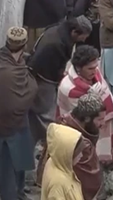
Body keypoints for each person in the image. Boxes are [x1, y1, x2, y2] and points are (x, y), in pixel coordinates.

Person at [0, 27, 38, 200]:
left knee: (19, 163)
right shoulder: (4, 68)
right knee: (7, 166)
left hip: (19, 122)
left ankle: (19, 192)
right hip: (4, 127)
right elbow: (29, 89)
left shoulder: (9, 61)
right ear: (24, 45)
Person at [29, 17, 92, 159]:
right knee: (45, 116)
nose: (83, 40)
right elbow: (43, 66)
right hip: (43, 82)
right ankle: (53, 147)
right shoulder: (56, 45)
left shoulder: (57, 32)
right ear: (74, 32)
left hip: (42, 78)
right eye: (83, 37)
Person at [58, 45, 113, 166]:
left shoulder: (95, 74)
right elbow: (81, 117)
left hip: (100, 120)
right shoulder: (69, 88)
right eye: (90, 68)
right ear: (78, 68)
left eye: (96, 66)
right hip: (84, 128)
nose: (95, 71)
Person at [50, 95, 107, 199]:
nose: (103, 124)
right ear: (87, 119)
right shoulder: (75, 142)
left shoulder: (65, 124)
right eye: (100, 119)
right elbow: (86, 180)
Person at [40, 122, 88, 200]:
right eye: (77, 153)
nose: (81, 155)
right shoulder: (58, 184)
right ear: (67, 153)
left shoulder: (55, 161)